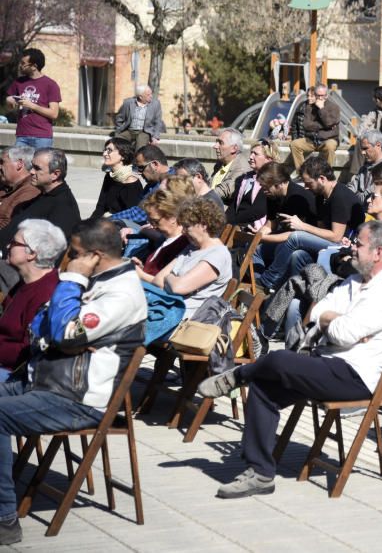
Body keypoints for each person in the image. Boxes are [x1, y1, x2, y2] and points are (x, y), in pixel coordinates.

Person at [196, 221, 382, 500]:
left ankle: (239, 374)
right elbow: (318, 310)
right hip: (326, 363)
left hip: (354, 377)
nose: (352, 247)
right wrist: (331, 319)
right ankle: (260, 473)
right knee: (264, 389)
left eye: (359, 244)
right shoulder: (354, 281)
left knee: (280, 359)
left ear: (378, 253)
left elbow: (346, 333)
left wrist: (333, 323)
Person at [0, 219, 146, 543]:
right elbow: (41, 326)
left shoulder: (120, 294)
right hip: (46, 379)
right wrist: (65, 331)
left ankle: (5, 519)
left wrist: (72, 286)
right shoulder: (96, 281)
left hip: (76, 398)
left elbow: (65, 333)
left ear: (93, 255)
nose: (68, 260)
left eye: (75, 254)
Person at [257, 158, 365, 291]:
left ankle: (268, 281)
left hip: (344, 247)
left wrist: (302, 226)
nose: (306, 187)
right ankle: (287, 291)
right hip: (329, 242)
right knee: (298, 255)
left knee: (296, 237)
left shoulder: (339, 197)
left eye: (309, 183)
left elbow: (336, 236)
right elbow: (321, 230)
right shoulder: (320, 196)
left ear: (322, 179)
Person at [0, 220, 64, 380]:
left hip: (15, 373)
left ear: (32, 253)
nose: (8, 246)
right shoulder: (26, 283)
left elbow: (28, 350)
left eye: (14, 243)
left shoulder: (47, 292)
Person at [150, 198, 231, 319]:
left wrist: (169, 276)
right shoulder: (191, 248)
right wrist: (173, 280)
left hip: (183, 319)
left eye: (187, 226)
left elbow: (178, 287)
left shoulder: (218, 255)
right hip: (166, 307)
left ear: (203, 225)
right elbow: (157, 280)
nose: (183, 231)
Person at [0, 148, 80, 246]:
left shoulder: (64, 206)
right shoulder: (43, 195)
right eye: (32, 166)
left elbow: (53, 249)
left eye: (37, 168)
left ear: (55, 174)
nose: (31, 172)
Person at [4, 48, 61, 149]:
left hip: (42, 137)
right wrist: (9, 101)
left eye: (23, 63)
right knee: (18, 164)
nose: (20, 66)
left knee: (39, 165)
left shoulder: (51, 85)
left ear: (34, 66)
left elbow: (54, 113)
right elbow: (9, 107)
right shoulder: (19, 82)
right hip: (22, 136)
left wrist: (32, 105)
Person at [133, 185, 193, 279]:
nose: (152, 226)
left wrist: (141, 275)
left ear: (173, 217)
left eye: (156, 221)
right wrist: (142, 268)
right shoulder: (168, 240)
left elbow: (164, 283)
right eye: (150, 221)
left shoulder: (182, 245)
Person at [109, 144, 171, 227]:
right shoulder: (152, 184)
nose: (139, 172)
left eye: (141, 168)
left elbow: (138, 214)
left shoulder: (169, 184)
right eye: (137, 168)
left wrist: (105, 221)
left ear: (155, 164)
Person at [224, 140, 278, 230]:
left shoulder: (271, 181)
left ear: (268, 159)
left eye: (256, 154)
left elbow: (258, 211)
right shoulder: (245, 178)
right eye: (251, 153)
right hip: (236, 225)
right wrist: (223, 220)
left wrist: (232, 221)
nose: (250, 157)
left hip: (255, 228)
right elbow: (234, 205)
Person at [91, 137, 143, 219]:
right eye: (105, 150)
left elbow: (133, 217)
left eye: (109, 150)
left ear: (123, 155)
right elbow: (100, 206)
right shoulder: (109, 176)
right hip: (107, 221)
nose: (104, 154)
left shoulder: (131, 183)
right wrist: (89, 224)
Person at [290, 84, 340, 168]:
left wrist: (321, 109)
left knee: (330, 146)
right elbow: (306, 125)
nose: (320, 98)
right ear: (315, 95)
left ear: (326, 95)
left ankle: (326, 173)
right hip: (312, 140)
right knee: (294, 144)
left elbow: (330, 123)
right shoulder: (309, 107)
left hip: (328, 139)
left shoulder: (334, 107)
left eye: (322, 95)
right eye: (318, 95)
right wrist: (325, 126)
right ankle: (302, 172)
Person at [347, 130, 382, 201]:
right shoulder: (364, 168)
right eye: (362, 149)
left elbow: (368, 197)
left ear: (378, 145)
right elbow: (351, 188)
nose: (363, 152)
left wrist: (357, 195)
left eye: (366, 148)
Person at [0, 146, 39, 229]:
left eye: (2, 162)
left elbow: (8, 224)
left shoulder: (30, 191)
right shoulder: (6, 184)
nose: (0, 167)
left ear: (19, 164)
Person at [211, 128, 252, 205]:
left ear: (234, 148)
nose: (215, 146)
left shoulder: (241, 168)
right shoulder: (220, 163)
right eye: (216, 142)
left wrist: (202, 196)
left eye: (220, 143)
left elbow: (225, 190)